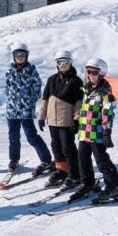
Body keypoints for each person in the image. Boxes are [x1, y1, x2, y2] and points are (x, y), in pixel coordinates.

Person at [76, 58, 118, 202]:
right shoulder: (87, 89)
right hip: (84, 132)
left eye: (94, 72)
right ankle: (87, 183)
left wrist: (106, 132)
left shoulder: (105, 92)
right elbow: (84, 109)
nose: (90, 74)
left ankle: (114, 186)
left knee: (101, 160)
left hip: (97, 132)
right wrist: (76, 121)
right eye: (88, 71)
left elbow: (108, 113)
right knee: (82, 159)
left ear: (101, 74)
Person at [4, 42, 53, 176]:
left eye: (23, 55)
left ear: (27, 56)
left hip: (26, 110)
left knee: (31, 137)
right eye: (17, 55)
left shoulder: (32, 70)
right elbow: (7, 87)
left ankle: (46, 160)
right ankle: (14, 160)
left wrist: (30, 101)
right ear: (14, 56)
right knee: (13, 137)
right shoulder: (9, 71)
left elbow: (37, 87)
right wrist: (10, 98)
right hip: (12, 111)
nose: (20, 57)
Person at [37, 49, 84, 188]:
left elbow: (79, 103)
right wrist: (41, 116)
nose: (63, 65)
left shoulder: (76, 81)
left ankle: (75, 174)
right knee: (56, 146)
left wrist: (76, 119)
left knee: (68, 148)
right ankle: (62, 170)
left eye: (66, 62)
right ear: (56, 64)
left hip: (66, 120)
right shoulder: (52, 79)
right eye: (60, 62)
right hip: (52, 120)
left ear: (71, 63)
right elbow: (45, 99)